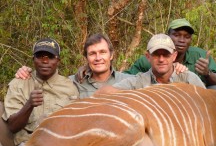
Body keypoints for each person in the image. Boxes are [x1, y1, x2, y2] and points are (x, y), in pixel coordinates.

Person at [16, 33, 189, 98]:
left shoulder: (130, 81)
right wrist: (28, 72)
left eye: (102, 52)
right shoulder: (73, 82)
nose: (98, 58)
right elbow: (49, 82)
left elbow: (157, 81)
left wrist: (177, 69)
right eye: (92, 54)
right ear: (86, 57)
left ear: (111, 55)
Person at [2, 38, 79, 146]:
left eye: (50, 57)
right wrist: (29, 105)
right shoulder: (19, 84)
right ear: (33, 60)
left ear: (58, 60)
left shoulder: (69, 87)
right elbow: (13, 126)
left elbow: (75, 126)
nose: (45, 61)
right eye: (40, 56)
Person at [124, 18, 216, 90]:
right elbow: (126, 79)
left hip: (194, 98)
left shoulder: (200, 55)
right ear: (167, 36)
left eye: (187, 37)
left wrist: (208, 73)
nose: (182, 40)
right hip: (158, 97)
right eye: (176, 35)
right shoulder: (148, 60)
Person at [101, 33, 206, 91]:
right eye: (156, 54)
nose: (161, 59)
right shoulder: (139, 81)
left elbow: (207, 104)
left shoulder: (189, 79)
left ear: (174, 56)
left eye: (166, 54)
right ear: (148, 57)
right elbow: (105, 93)